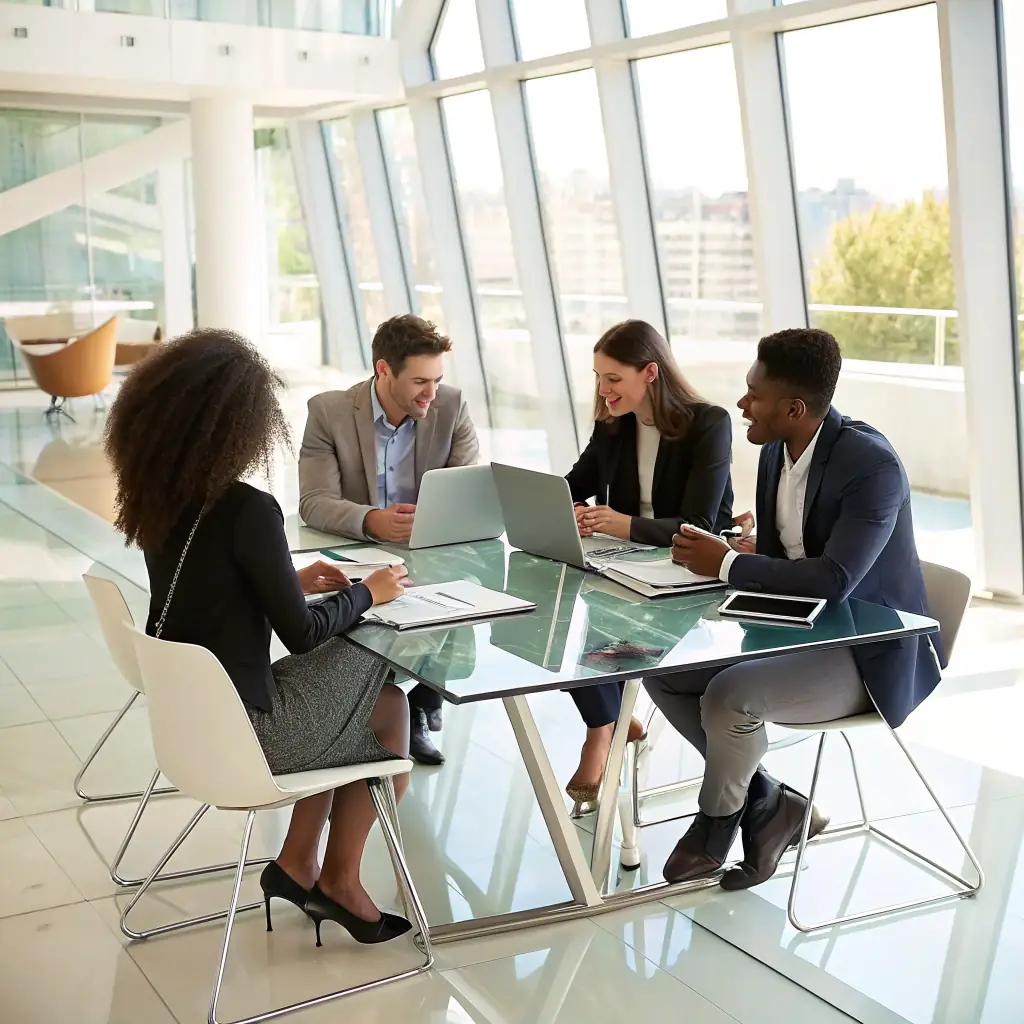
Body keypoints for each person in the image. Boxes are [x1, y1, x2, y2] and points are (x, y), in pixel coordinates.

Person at [104, 329, 414, 946]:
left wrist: (287, 578)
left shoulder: (159, 499)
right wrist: (368, 592)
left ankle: (298, 866)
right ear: (238, 423)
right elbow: (302, 636)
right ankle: (339, 880)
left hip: (192, 722)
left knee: (388, 706)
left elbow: (201, 586)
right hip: (250, 736)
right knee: (376, 673)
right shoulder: (247, 508)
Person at [649, 327, 938, 889]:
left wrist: (727, 565)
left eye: (753, 394)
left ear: (794, 407)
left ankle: (716, 822)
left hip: (864, 652)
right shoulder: (777, 450)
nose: (741, 403)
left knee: (731, 696)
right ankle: (768, 800)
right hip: (791, 632)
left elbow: (834, 578)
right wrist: (738, 554)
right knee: (666, 672)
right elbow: (789, 556)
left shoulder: (872, 466)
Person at [562, 319, 734, 810]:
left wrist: (622, 525)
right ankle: (612, 716)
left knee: (599, 618)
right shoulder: (613, 424)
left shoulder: (709, 424)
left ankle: (603, 728)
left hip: (689, 570)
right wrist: (560, 510)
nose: (603, 389)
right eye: (598, 376)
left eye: (613, 378)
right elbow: (574, 483)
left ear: (650, 373)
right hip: (626, 562)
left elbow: (701, 524)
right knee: (562, 602)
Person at [298, 314, 479, 767]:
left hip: (431, 555)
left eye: (437, 380)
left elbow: (469, 493)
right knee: (379, 636)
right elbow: (314, 501)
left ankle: (414, 700)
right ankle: (394, 708)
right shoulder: (329, 411)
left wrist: (438, 526)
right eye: (420, 381)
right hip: (358, 557)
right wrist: (372, 520)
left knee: (461, 613)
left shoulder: (452, 407)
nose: (431, 393)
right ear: (383, 371)